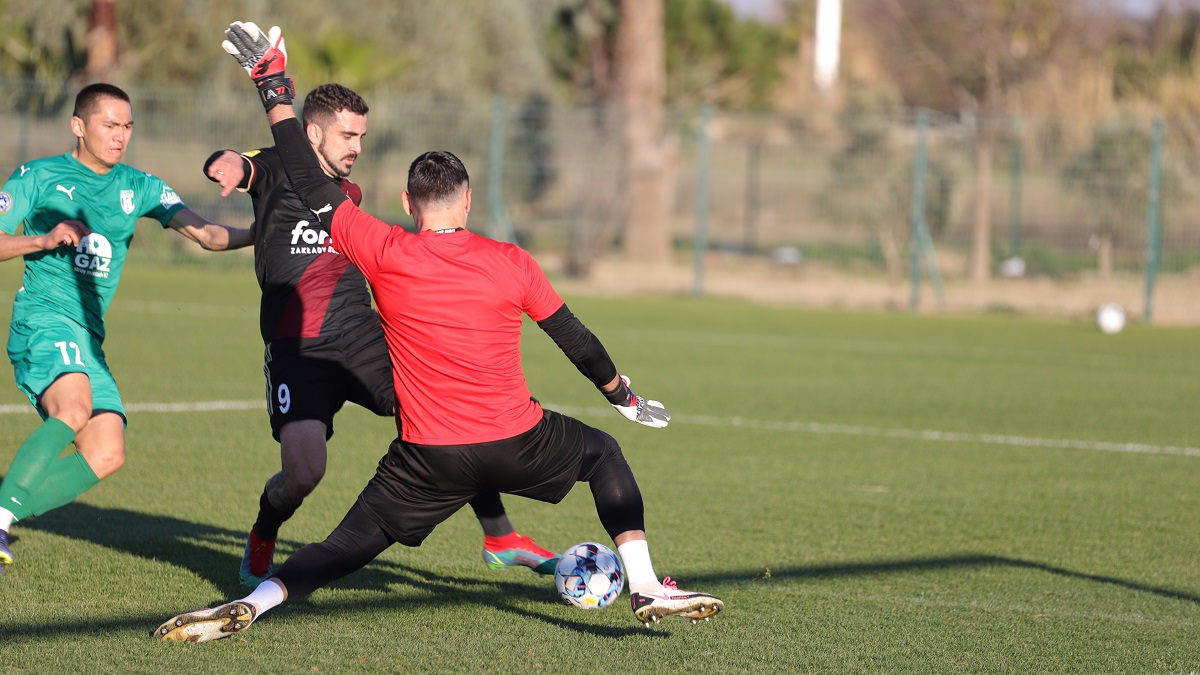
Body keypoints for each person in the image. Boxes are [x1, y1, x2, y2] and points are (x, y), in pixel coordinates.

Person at [154, 22, 722, 640]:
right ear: (469, 200)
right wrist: (623, 397)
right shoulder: (513, 261)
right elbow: (577, 340)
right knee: (603, 453)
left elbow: (311, 185)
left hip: (428, 459)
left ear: (405, 202)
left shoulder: (383, 248)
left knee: (347, 543)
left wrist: (273, 87)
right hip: (513, 438)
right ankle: (643, 585)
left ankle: (258, 602)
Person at [201, 83, 558, 587]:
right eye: (347, 135)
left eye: (361, 136)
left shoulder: (348, 197)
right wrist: (229, 166)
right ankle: (264, 531)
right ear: (313, 133)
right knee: (303, 474)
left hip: (362, 333)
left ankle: (500, 537)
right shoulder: (280, 163)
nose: (357, 147)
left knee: (446, 409)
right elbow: (239, 162)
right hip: (298, 348)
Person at [0, 82, 254, 571]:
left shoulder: (140, 186)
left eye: (128, 127)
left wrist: (266, 233)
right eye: (109, 125)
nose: (120, 136)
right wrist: (43, 239)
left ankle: (8, 504)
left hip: (88, 337)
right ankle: (1, 519)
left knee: (106, 451)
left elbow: (209, 235)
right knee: (74, 407)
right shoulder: (38, 176)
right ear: (79, 126)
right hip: (44, 319)